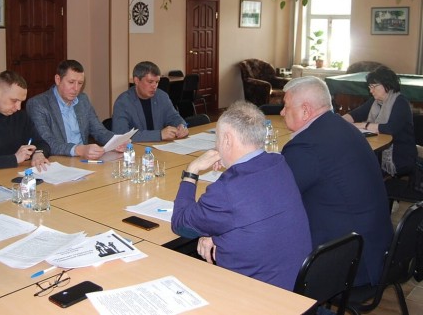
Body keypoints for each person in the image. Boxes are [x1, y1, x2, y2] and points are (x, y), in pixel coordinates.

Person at [171, 101, 311, 291]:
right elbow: (252, 215)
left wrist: (192, 171)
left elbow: (180, 224)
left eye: (217, 139)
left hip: (257, 295)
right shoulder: (278, 163)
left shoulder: (227, 189)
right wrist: (215, 235)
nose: (216, 145)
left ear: (227, 139)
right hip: (295, 286)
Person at [280, 76, 393, 287]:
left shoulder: (307, 146)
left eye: (286, 106)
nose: (282, 112)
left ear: (305, 110)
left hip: (349, 261)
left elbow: (276, 195)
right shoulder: (343, 128)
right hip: (376, 247)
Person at [27, 60, 125, 159]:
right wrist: (79, 150)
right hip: (57, 160)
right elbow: (46, 142)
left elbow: (99, 130)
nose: (76, 88)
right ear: (58, 79)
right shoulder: (38, 104)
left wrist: (117, 141)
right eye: (71, 82)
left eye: (80, 83)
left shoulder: (82, 100)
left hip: (83, 160)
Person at [342, 65, 416, 177]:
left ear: (387, 85)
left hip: (399, 154)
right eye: (369, 87)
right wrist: (338, 121)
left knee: (357, 166)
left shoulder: (400, 103)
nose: (371, 91)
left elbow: (389, 128)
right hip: (380, 149)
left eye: (374, 87)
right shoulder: (375, 102)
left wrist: (363, 125)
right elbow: (355, 114)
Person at [112, 61, 189, 142]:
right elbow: (121, 135)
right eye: (150, 82)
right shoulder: (123, 102)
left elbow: (174, 117)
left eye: (157, 82)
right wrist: (159, 135)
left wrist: (182, 126)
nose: (154, 86)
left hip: (160, 146)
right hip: (136, 148)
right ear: (136, 81)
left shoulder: (162, 96)